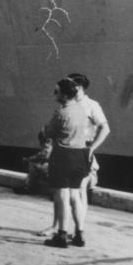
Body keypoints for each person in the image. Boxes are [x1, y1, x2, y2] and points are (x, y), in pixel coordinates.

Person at [42, 77, 91, 248]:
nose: (55, 94)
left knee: (62, 196)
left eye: (57, 91)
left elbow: (48, 132)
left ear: (63, 94)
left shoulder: (61, 113)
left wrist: (45, 131)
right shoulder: (82, 110)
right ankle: (80, 234)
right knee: (75, 195)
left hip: (63, 156)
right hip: (80, 156)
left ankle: (61, 236)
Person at [67, 72, 110, 212]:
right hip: (67, 150)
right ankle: (59, 227)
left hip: (81, 150)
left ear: (78, 87)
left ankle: (79, 230)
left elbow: (105, 128)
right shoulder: (68, 103)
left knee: (79, 190)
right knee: (63, 191)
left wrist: (91, 148)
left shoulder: (91, 105)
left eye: (69, 85)